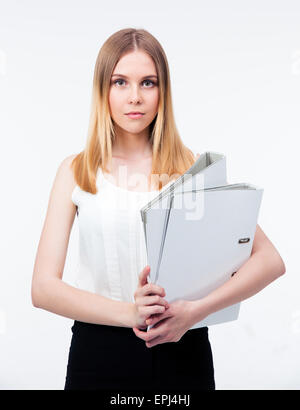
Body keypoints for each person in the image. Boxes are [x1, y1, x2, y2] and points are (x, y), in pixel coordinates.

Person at [31, 28, 286, 392]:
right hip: (97, 353)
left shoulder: (191, 169)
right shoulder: (75, 170)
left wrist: (197, 311)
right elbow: (42, 288)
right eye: (120, 82)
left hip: (182, 348)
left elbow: (270, 261)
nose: (134, 97)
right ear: (102, 89)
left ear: (162, 91)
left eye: (147, 83)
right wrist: (129, 314)